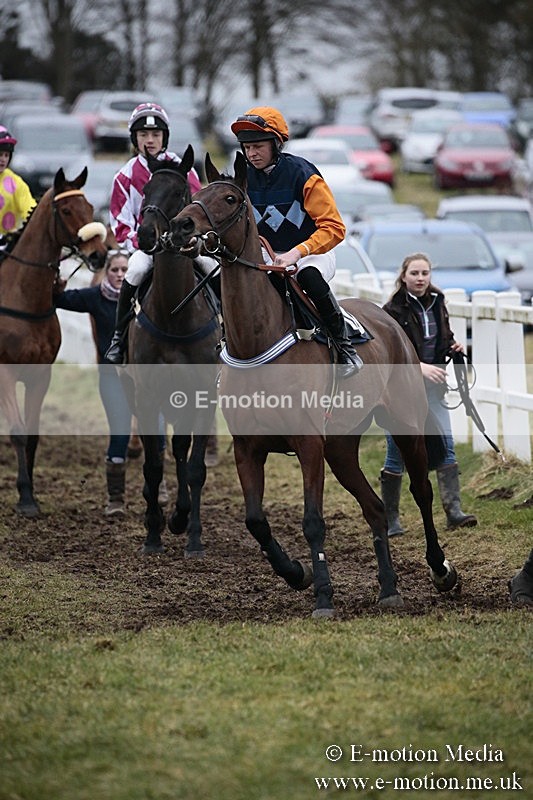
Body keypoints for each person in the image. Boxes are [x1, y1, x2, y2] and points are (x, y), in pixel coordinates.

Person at [230, 106, 362, 378]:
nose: (251, 154)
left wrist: (297, 252)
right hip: (263, 255)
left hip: (310, 252)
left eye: (258, 146)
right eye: (247, 148)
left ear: (276, 143)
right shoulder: (242, 178)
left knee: (309, 277)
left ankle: (344, 346)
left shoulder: (303, 173)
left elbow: (335, 228)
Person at [54, 250, 167, 516]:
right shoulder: (96, 297)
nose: (119, 275)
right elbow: (59, 300)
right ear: (106, 272)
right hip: (112, 377)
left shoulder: (147, 297)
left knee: (158, 431)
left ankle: (159, 486)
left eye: (124, 270)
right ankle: (115, 498)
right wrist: (56, 287)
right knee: (120, 432)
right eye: (114, 270)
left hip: (147, 377)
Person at [380, 252, 477, 535]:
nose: (420, 278)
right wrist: (419, 367)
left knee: (446, 444)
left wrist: (452, 347)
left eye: (425, 273)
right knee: (397, 452)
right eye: (414, 273)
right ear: (404, 276)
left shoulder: (438, 302)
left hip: (434, 390)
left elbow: (441, 337)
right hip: (401, 392)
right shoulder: (391, 310)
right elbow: (388, 353)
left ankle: (454, 512)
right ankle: (391, 519)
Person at [105, 102, 202, 364]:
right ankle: (118, 337)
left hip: (184, 245)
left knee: (213, 267)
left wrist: (193, 238)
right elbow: (120, 223)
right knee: (135, 271)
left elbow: (198, 207)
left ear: (164, 137)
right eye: (143, 134)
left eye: (156, 134)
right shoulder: (124, 176)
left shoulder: (184, 168)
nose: (150, 140)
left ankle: (225, 329)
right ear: (134, 138)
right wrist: (143, 242)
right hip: (147, 247)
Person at [0, 126, 36, 237]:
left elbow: (30, 213)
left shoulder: (16, 182)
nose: (3, 159)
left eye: (6, 155)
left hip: (6, 241)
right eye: (0, 154)